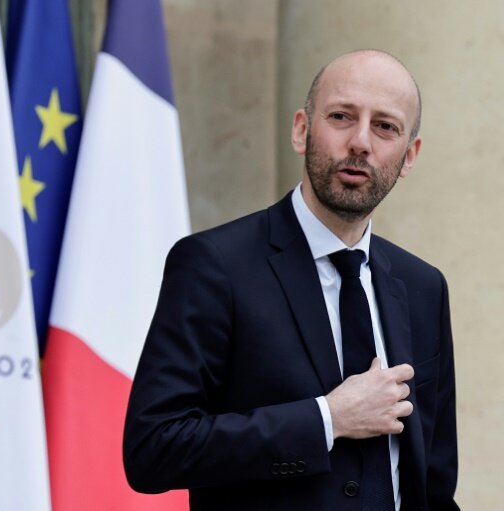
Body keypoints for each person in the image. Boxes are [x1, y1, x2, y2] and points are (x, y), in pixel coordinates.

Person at [123, 49, 459, 511]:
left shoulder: (423, 286)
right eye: (342, 116)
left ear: (409, 155)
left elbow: (434, 484)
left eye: (385, 126)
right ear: (302, 130)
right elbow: (153, 448)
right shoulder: (214, 265)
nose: (361, 141)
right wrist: (328, 418)